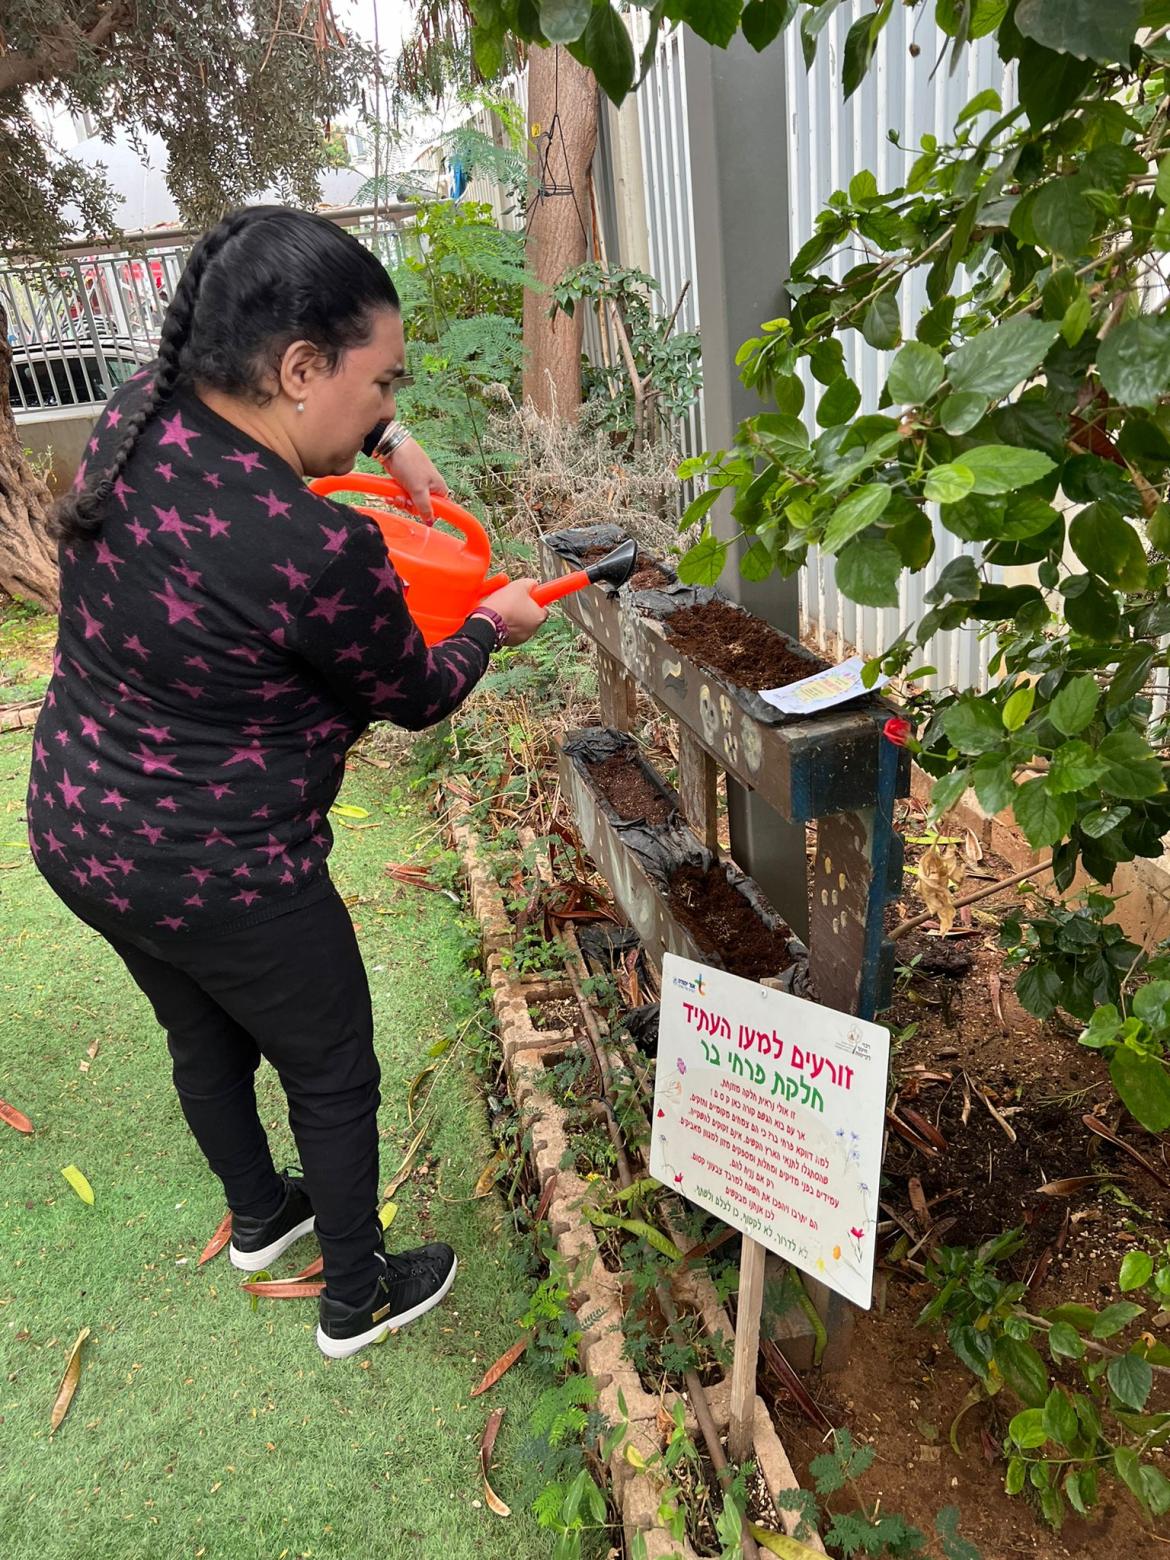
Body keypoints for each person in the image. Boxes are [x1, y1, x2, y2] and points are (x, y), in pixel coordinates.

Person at [25, 205, 547, 1358]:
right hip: (223, 865)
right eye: (381, 384)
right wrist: (495, 628)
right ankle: (355, 1297)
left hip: (77, 829)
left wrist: (387, 440)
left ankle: (262, 1216)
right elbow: (414, 689)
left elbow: (309, 444)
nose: (385, 406)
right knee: (332, 1064)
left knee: (199, 1033)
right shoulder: (317, 552)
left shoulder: (134, 414)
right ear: (299, 367)